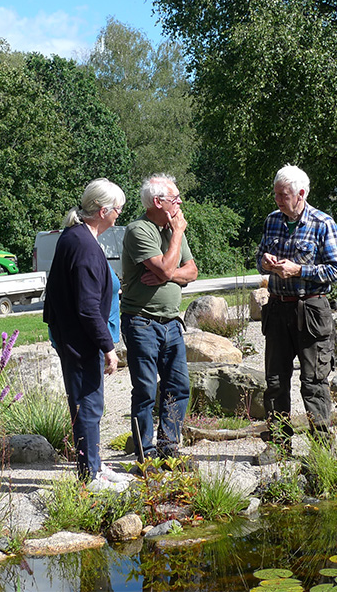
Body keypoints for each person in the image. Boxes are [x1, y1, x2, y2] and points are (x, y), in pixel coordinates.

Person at [43, 178, 132, 491]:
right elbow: (87, 306)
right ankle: (90, 477)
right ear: (104, 210)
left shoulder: (75, 236)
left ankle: (94, 465)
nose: (120, 214)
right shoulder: (83, 245)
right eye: (118, 209)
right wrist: (107, 347)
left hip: (71, 335)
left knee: (88, 404)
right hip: (79, 339)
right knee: (88, 405)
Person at [256, 165, 337, 454]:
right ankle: (280, 444)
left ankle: (322, 448)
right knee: (276, 381)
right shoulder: (272, 221)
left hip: (311, 310)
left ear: (301, 194)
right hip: (278, 309)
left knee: (314, 380)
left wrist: (299, 270)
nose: (279, 200)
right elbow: (258, 259)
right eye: (276, 195)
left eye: (284, 195)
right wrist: (267, 263)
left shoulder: (323, 223)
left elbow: (336, 270)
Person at [121, 174, 198, 462]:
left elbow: (191, 271)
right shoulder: (138, 230)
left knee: (177, 386)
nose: (179, 203)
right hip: (141, 321)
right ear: (158, 202)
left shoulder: (171, 228)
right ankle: (145, 453)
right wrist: (177, 236)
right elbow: (166, 270)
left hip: (171, 323)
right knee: (144, 389)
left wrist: (169, 274)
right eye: (175, 198)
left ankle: (169, 447)